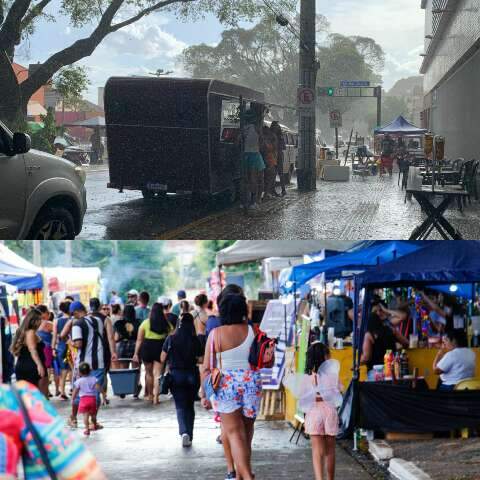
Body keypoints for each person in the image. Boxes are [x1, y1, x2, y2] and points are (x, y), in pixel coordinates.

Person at [201, 294, 262, 480]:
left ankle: (247, 475)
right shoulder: (255, 330)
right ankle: (242, 475)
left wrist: (205, 393)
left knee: (234, 433)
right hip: (251, 381)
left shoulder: (216, 334)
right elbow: (266, 359)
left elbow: (207, 367)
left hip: (226, 383)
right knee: (247, 432)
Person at [0, 381, 106, 479]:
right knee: (88, 417)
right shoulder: (16, 401)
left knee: (86, 418)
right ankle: (89, 426)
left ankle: (88, 427)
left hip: (84, 401)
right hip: (90, 401)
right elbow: (87, 474)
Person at [160, 311, 203, 447]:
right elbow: (201, 359)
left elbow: (162, 358)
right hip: (191, 375)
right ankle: (189, 434)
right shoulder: (195, 339)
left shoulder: (171, 339)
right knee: (190, 405)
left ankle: (183, 432)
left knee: (180, 405)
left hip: (175, 375)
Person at [299, 342, 341, 480]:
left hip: (314, 413)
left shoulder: (306, 378)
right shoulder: (332, 376)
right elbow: (339, 391)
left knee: (317, 452)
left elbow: (303, 399)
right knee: (330, 451)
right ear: (324, 357)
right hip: (330, 412)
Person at [70, 301, 106, 428]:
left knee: (79, 391)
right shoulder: (99, 320)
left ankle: (73, 418)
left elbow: (78, 344)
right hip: (99, 362)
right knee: (94, 393)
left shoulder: (77, 324)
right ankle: (93, 421)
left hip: (83, 364)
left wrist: (71, 342)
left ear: (75, 313)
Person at [133, 302, 174, 404]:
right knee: (157, 375)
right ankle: (156, 397)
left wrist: (136, 353)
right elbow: (172, 337)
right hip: (160, 349)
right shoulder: (166, 324)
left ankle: (150, 395)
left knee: (148, 373)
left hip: (147, 348)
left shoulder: (145, 323)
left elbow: (139, 340)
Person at [360, 312, 409, 378]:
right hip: (392, 370)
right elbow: (406, 343)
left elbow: (366, 358)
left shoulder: (369, 335)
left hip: (376, 372)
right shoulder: (391, 330)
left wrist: (357, 362)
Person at [89, 298, 117, 404]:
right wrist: (113, 352)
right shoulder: (106, 319)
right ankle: (103, 396)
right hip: (103, 349)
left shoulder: (86, 318)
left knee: (90, 373)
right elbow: (110, 337)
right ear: (100, 306)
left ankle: (91, 395)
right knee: (103, 373)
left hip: (89, 350)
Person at [10, 308, 46, 389]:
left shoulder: (22, 331)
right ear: (34, 320)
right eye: (40, 319)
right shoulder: (31, 332)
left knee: (25, 395)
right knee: (35, 396)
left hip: (23, 365)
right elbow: (32, 349)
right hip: (31, 367)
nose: (41, 322)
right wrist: (39, 365)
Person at [241, 111, 265, 211]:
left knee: (246, 180)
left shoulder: (243, 129)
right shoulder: (257, 129)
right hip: (255, 155)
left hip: (245, 155)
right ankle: (253, 202)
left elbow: (238, 141)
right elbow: (262, 142)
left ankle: (244, 202)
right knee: (255, 180)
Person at [72, 362, 103, 436]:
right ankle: (94, 424)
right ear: (90, 370)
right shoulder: (93, 379)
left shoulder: (79, 381)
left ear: (79, 372)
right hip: (92, 400)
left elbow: (75, 391)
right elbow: (98, 388)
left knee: (85, 416)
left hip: (83, 400)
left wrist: (73, 399)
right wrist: (104, 395)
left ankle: (87, 429)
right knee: (93, 415)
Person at [52, 301, 71, 400]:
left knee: (63, 371)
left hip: (61, 347)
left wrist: (53, 348)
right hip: (72, 346)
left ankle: (62, 392)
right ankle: (74, 389)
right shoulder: (73, 320)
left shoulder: (56, 321)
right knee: (74, 369)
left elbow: (54, 336)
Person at [36, 305, 56, 397]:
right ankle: (46, 390)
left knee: (40, 369)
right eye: (47, 312)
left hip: (37, 349)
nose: (49, 314)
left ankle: (43, 390)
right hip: (47, 349)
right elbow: (57, 335)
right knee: (47, 370)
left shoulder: (34, 323)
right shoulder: (48, 324)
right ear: (44, 313)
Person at [260, 126, 278, 200]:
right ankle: (265, 194)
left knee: (266, 178)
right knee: (269, 178)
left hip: (267, 160)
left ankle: (265, 194)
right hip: (268, 160)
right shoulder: (267, 140)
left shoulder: (262, 139)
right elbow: (273, 149)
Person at [270, 121, 287, 196]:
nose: (276, 128)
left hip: (277, 155)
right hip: (274, 155)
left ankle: (282, 190)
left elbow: (283, 146)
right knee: (274, 174)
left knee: (278, 173)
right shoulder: (273, 136)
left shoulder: (279, 136)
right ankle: (273, 190)